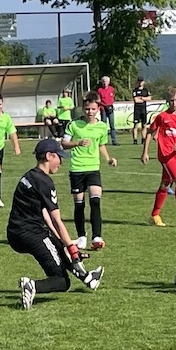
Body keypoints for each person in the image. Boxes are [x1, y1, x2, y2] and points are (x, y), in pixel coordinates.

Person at [9, 138, 103, 310]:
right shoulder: (45, 182)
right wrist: (72, 249)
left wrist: (63, 243)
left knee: (59, 246)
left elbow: (45, 215)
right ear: (48, 156)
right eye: (59, 157)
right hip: (31, 234)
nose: (61, 162)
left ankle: (88, 278)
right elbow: (56, 220)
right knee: (61, 281)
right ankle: (32, 286)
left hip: (16, 233)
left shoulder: (29, 176)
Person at [62, 95, 117, 249]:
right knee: (79, 204)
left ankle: (97, 237)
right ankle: (81, 236)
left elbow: (101, 145)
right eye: (87, 109)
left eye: (93, 109)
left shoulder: (102, 127)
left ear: (98, 109)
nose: (90, 112)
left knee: (95, 201)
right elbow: (64, 144)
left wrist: (108, 159)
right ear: (82, 108)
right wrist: (77, 143)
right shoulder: (74, 125)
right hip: (77, 169)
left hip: (93, 169)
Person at [140, 88, 176, 227]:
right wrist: (145, 152)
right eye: (171, 101)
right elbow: (150, 132)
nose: (174, 103)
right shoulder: (162, 116)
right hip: (165, 154)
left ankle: (155, 215)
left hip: (175, 155)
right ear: (167, 101)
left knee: (165, 183)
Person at [96, 75, 118, 145]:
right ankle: (103, 140)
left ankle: (114, 141)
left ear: (108, 82)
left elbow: (113, 96)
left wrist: (111, 104)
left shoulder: (111, 89)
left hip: (110, 108)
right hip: (103, 108)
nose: (105, 83)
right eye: (104, 81)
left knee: (112, 125)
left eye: (106, 81)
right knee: (103, 125)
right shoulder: (100, 90)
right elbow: (98, 99)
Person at [131, 77, 150, 145]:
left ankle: (143, 139)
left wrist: (141, 98)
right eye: (139, 81)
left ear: (143, 82)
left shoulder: (146, 90)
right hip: (137, 109)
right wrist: (144, 99)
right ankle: (135, 139)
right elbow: (136, 100)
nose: (140, 83)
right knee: (136, 125)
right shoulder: (135, 90)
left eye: (141, 81)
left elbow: (149, 98)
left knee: (144, 125)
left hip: (143, 109)